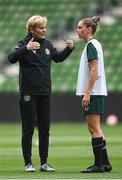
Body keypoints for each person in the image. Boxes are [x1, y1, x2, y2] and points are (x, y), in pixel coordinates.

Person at [8, 15, 74, 172]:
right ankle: (28, 163)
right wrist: (26, 49)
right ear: (32, 29)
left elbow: (58, 58)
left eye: (45, 27)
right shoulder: (23, 44)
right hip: (28, 93)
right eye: (41, 27)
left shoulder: (47, 44)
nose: (44, 30)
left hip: (45, 92)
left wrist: (69, 49)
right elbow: (11, 58)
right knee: (28, 128)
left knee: (44, 128)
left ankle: (44, 162)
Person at [76, 16, 112, 173]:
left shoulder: (91, 45)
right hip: (97, 91)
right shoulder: (95, 44)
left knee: (93, 128)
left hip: (93, 92)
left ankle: (98, 165)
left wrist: (87, 93)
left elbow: (94, 70)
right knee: (97, 128)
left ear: (88, 29)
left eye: (80, 27)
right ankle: (105, 163)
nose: (77, 30)